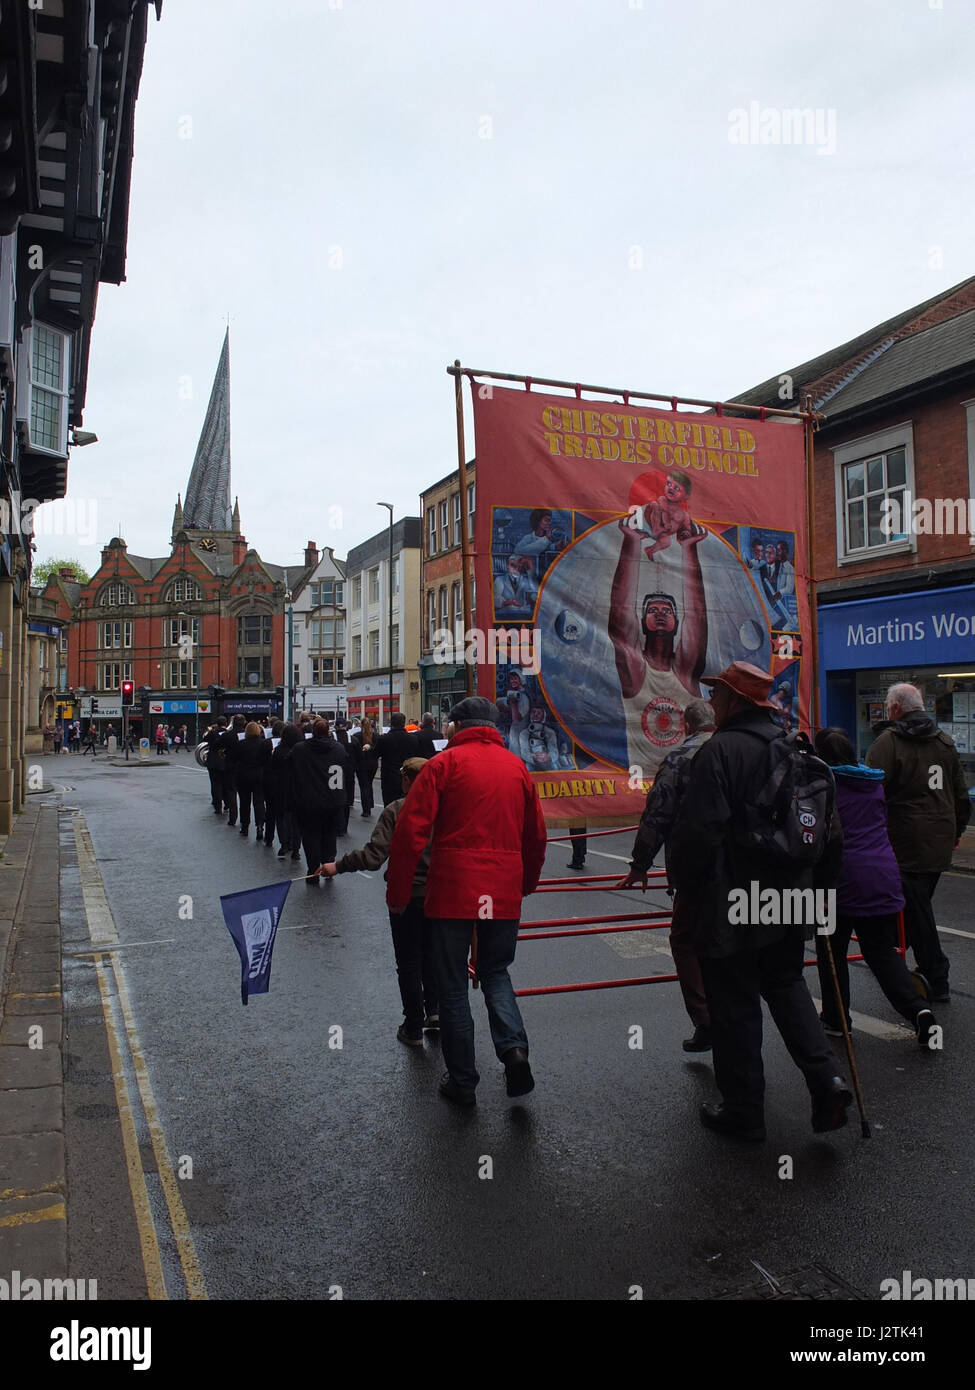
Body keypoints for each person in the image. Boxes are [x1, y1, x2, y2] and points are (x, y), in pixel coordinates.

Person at [669, 661, 851, 1142]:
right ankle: (827, 1079)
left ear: (734, 701)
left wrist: (686, 887)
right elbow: (830, 835)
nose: (711, 702)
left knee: (734, 1004)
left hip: (731, 898)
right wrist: (822, 899)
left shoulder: (720, 751)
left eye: (717, 695)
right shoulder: (798, 748)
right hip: (790, 898)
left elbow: (700, 832)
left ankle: (745, 1111)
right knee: (788, 986)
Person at [386, 696, 547, 1106]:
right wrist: (525, 883)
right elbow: (536, 836)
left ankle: (463, 1081)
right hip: (503, 889)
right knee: (496, 972)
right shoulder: (517, 768)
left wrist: (399, 894)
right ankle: (514, 1051)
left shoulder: (443, 766)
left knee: (453, 984)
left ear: (457, 726)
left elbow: (410, 834)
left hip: (454, 890)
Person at [813, 727, 937, 1045]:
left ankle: (836, 1019)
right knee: (881, 950)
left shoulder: (826, 785)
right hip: (882, 873)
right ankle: (919, 1011)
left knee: (832, 952)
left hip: (840, 878)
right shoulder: (874, 784)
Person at [619, 698, 715, 1051]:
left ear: (687, 727)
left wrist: (640, 864)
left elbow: (658, 814)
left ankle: (707, 1021)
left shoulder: (680, 759)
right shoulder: (736, 749)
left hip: (696, 869)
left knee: (686, 940)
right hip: (744, 871)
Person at [322, 757, 438, 1046]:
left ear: (409, 781)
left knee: (409, 963)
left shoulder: (397, 810)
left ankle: (412, 1027)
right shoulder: (447, 809)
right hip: (442, 896)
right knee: (435, 957)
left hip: (408, 896)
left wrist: (339, 865)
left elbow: (375, 856)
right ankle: (436, 1011)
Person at [866, 682, 970, 1003]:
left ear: (896, 708)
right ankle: (897, 963)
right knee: (916, 904)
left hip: (904, 841)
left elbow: (870, 793)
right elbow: (961, 797)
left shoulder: (888, 743)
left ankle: (935, 975)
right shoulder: (945, 743)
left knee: (916, 907)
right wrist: (955, 833)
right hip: (940, 837)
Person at [609, 502, 708, 775]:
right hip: (644, 787)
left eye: (667, 611)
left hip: (688, 782)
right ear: (642, 622)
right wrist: (631, 544)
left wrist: (690, 551)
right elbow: (620, 616)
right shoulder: (636, 670)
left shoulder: (686, 671)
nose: (661, 614)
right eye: (653, 610)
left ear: (677, 624)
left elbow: (698, 616)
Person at [289, 717, 350, 883]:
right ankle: (329, 865)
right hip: (333, 800)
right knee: (329, 835)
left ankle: (314, 869)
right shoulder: (338, 748)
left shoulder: (301, 749)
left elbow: (290, 766)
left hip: (310, 801)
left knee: (311, 836)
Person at [269, 723, 302, 860]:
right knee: (297, 819)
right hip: (298, 787)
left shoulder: (278, 750)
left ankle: (284, 844)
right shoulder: (301, 750)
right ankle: (296, 849)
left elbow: (273, 769)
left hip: (282, 786)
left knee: (282, 816)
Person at [374, 712, 420, 806]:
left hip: (389, 777)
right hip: (407, 775)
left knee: (389, 804)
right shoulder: (413, 739)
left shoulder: (384, 739)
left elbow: (375, 755)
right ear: (404, 723)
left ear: (391, 723)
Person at [236, 720, 271, 839]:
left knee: (244, 802)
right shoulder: (265, 743)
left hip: (243, 775)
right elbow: (267, 761)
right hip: (259, 775)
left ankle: (245, 826)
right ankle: (260, 825)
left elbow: (236, 759)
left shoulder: (241, 744)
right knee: (259, 801)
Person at [350, 716, 378, 817]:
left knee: (364, 786)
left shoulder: (357, 736)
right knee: (369, 784)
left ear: (360, 725)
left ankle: (366, 809)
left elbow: (355, 751)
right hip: (373, 764)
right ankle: (370, 804)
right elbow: (377, 750)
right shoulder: (375, 736)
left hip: (361, 764)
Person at [333, 722, 355, 835]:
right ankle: (344, 827)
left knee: (336, 798)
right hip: (349, 772)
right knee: (346, 800)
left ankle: (337, 825)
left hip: (335, 773)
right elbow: (359, 756)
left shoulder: (332, 739)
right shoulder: (352, 739)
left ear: (336, 727)